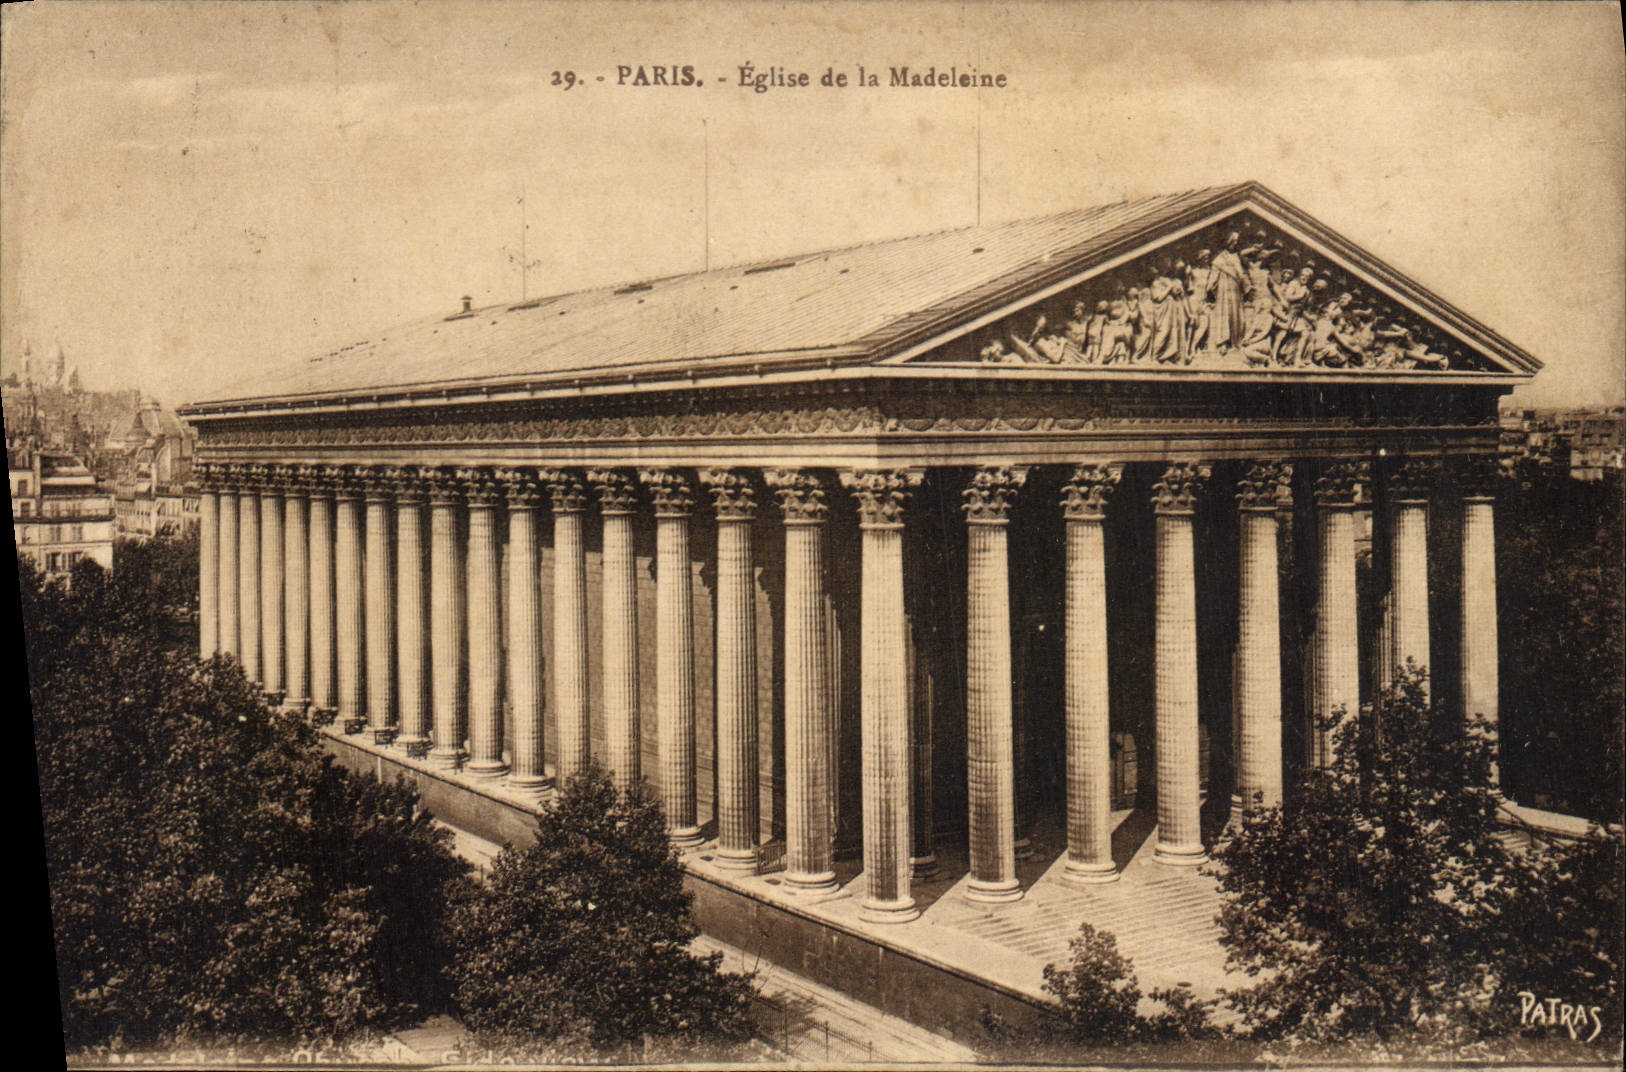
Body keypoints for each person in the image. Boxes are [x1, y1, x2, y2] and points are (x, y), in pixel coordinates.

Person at [1208, 231, 1247, 352]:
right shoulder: (1219, 259)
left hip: (1235, 290)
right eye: (1233, 240)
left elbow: (1241, 274)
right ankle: (1223, 341)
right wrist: (1209, 288)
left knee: (1235, 314)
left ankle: (1235, 341)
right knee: (1224, 313)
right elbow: (1213, 276)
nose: (1235, 243)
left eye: (1237, 241)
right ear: (1228, 241)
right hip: (1223, 290)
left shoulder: (1236, 257)